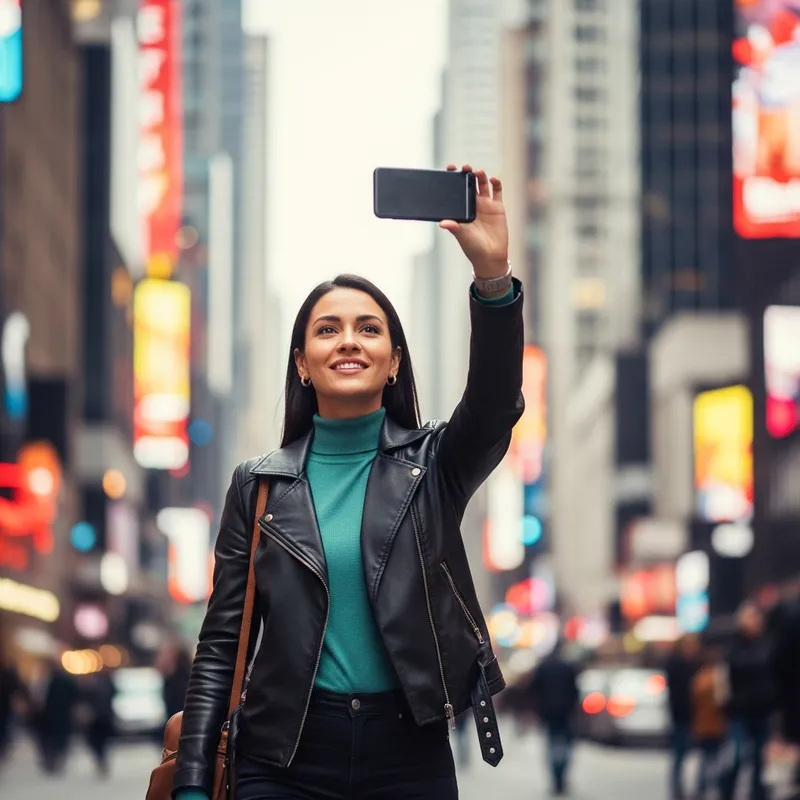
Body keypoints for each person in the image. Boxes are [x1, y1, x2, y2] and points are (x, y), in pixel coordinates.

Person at [172, 163, 524, 800]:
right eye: (327, 330)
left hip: (408, 756)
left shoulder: (435, 466)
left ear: (393, 362)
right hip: (282, 759)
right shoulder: (258, 486)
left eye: (369, 328)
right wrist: (195, 781)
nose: (349, 341)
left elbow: (497, 404)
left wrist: (492, 277)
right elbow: (222, 645)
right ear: (303, 364)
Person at [720, 602, 776, 800]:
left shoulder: (768, 644)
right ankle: (726, 791)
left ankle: (756, 793)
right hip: (739, 712)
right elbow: (725, 679)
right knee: (737, 755)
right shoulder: (733, 646)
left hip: (762, 710)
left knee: (759, 760)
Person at [529, 641, 579, 797]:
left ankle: (556, 778)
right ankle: (561, 777)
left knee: (552, 745)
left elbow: (533, 690)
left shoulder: (543, 667)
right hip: (565, 712)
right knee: (565, 746)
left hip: (548, 713)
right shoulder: (568, 667)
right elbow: (575, 690)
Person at [665, 633, 701, 800]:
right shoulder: (675, 665)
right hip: (680, 716)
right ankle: (677, 789)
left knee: (699, 755)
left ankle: (697, 789)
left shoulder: (697, 664)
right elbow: (674, 695)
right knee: (679, 755)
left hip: (698, 717)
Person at [690, 647, 727, 799]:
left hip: (705, 724)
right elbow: (722, 700)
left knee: (707, 759)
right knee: (713, 759)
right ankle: (710, 787)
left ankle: (704, 787)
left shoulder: (700, 677)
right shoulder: (714, 678)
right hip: (713, 724)